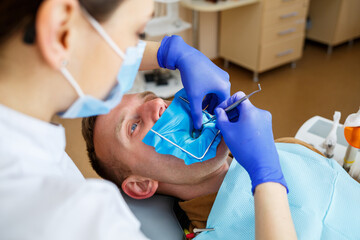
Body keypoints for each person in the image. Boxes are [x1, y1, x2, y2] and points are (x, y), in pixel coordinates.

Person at [0, 0, 232, 239]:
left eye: (151, 97)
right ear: (62, 29)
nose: (158, 104)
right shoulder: (72, 218)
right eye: (136, 32)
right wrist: (267, 180)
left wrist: (170, 52)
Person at [82, 91, 360, 239]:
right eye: (133, 126)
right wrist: (266, 175)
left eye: (150, 97)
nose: (157, 104)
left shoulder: (287, 146)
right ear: (142, 184)